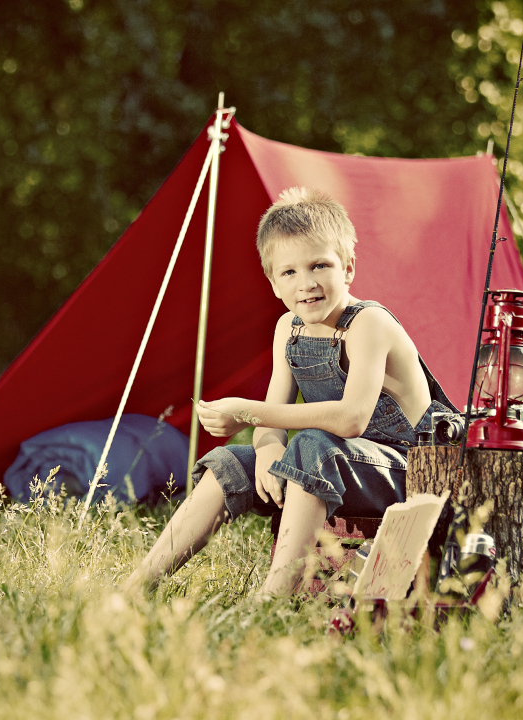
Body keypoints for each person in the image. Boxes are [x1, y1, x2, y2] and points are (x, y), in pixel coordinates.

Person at [126, 187, 456, 596]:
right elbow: (273, 416)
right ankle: (137, 587)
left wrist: (248, 413)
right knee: (230, 460)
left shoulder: (368, 323)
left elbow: (350, 418)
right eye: (289, 272)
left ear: (348, 267)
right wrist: (266, 450)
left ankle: (274, 599)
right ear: (273, 282)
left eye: (320, 265)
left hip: (411, 470)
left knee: (315, 445)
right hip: (340, 465)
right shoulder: (290, 329)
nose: (307, 284)